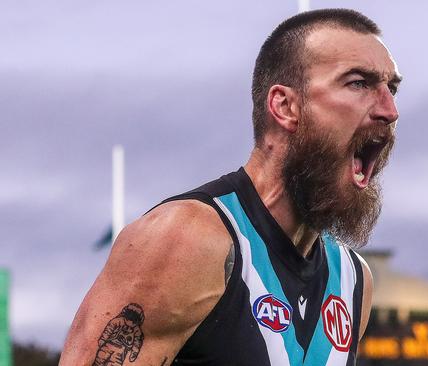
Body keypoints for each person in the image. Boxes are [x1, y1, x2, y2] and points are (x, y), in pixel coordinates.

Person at [61, 8, 401, 366]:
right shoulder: (185, 240)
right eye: (358, 83)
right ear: (285, 106)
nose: (390, 110)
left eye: (391, 88)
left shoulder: (352, 280)